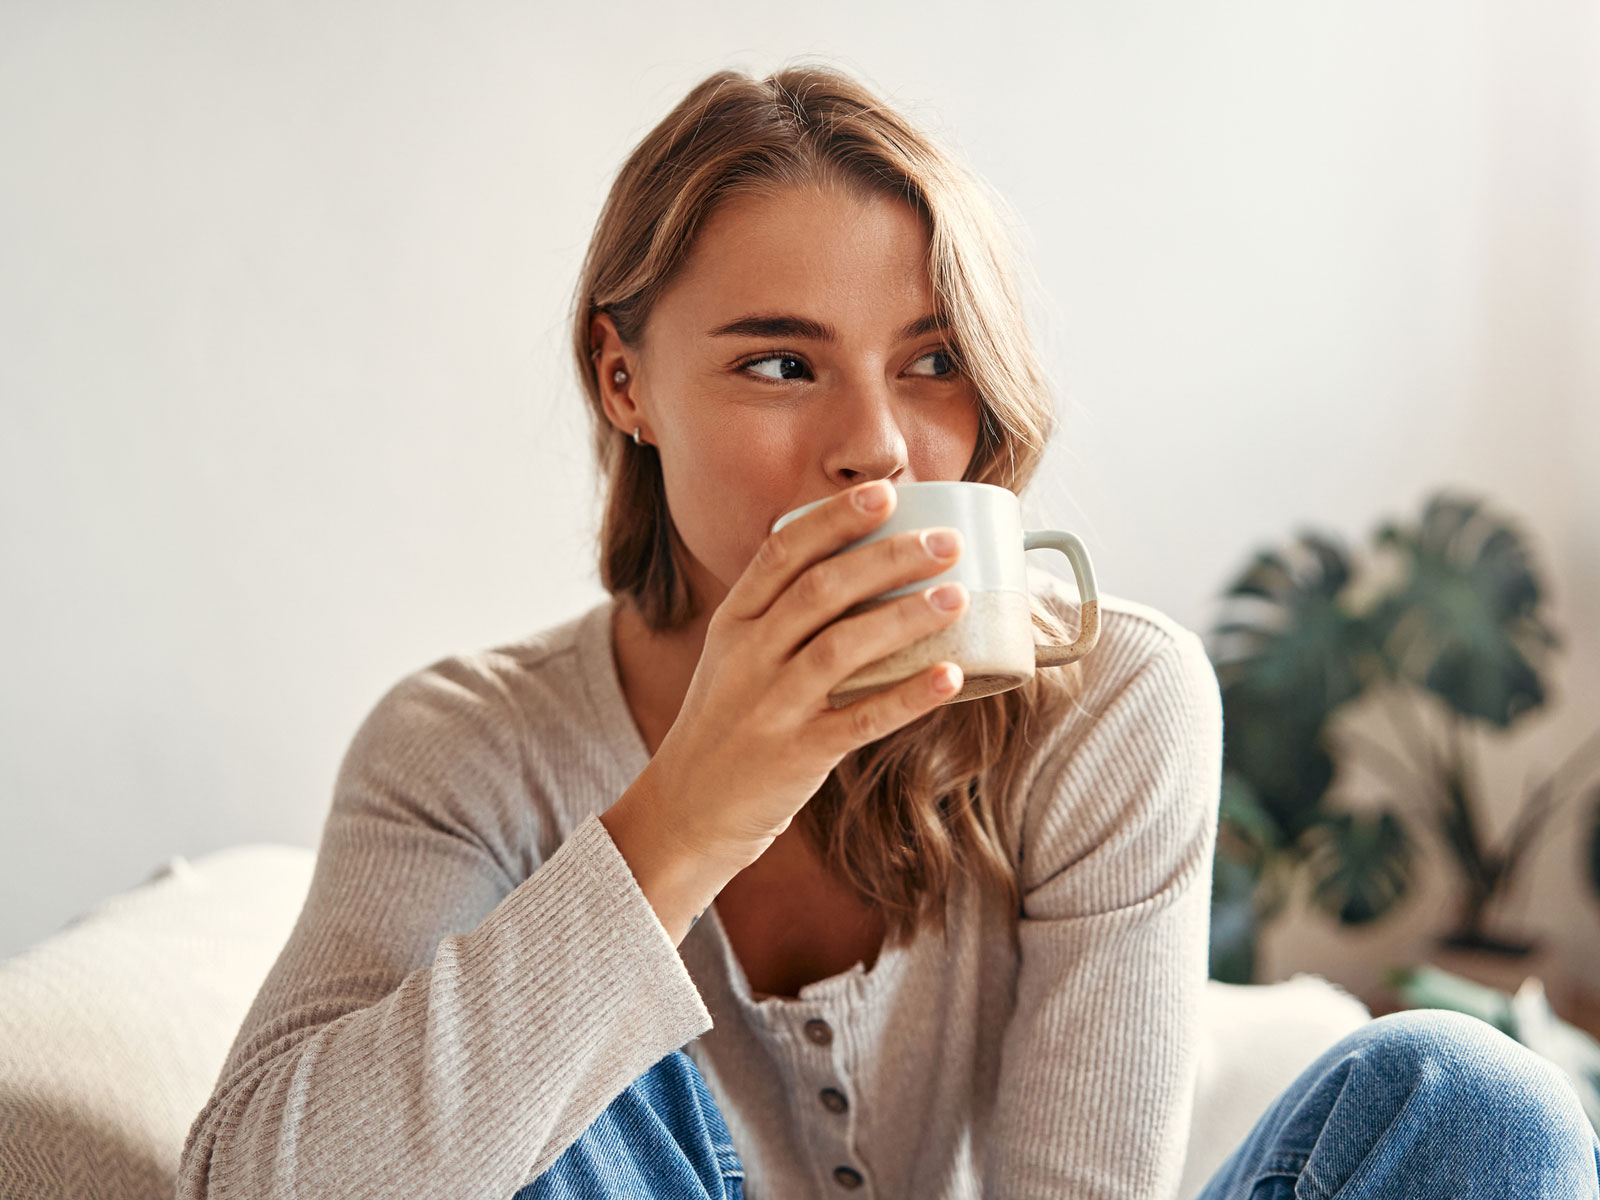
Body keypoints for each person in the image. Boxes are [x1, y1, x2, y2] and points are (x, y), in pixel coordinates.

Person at [177, 61, 1600, 1200]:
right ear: (624, 378)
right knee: (542, 1078)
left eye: (931, 363)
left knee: (1478, 1104)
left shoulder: (1102, 705)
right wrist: (677, 825)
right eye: (782, 363)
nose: (875, 444)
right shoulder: (467, 749)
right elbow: (250, 1184)